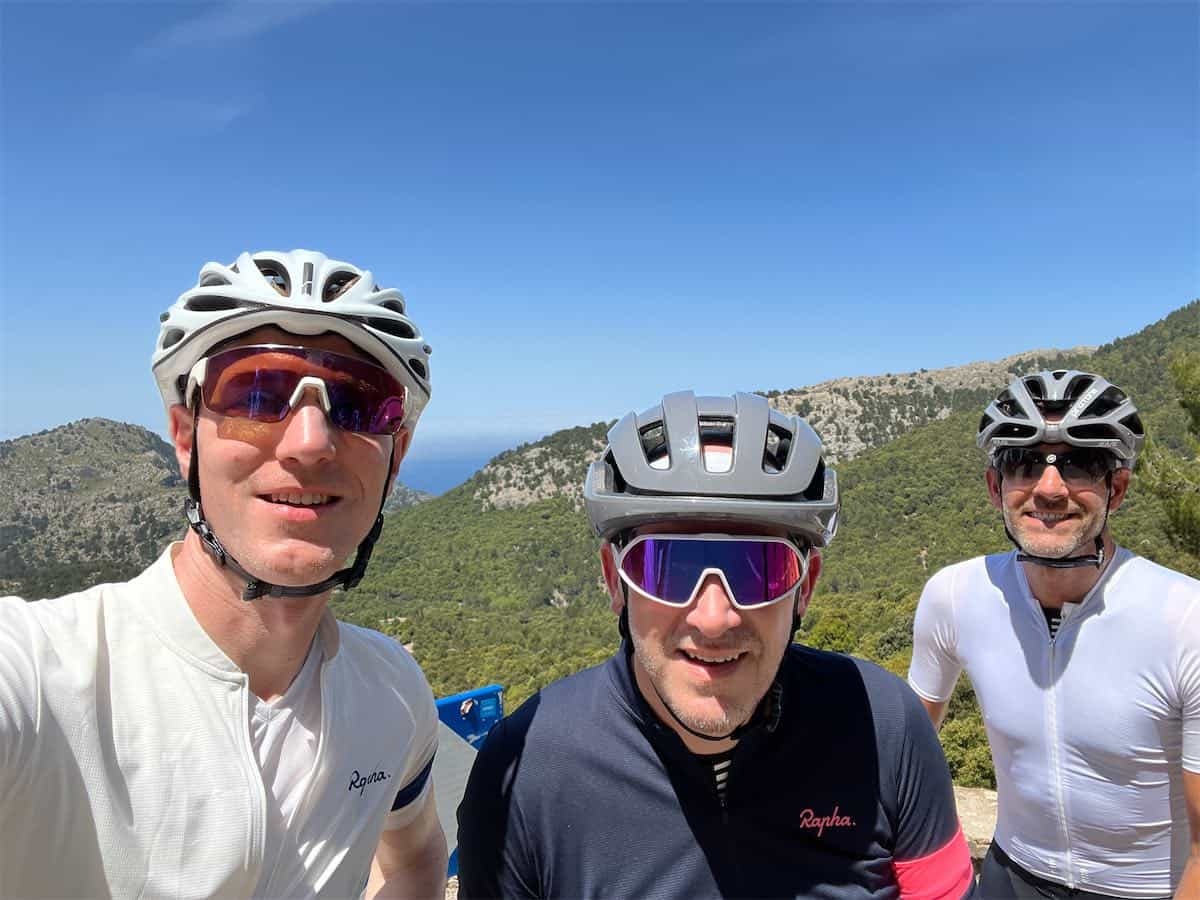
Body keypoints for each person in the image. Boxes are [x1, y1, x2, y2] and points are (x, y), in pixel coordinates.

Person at [0, 250, 448, 898]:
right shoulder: (42, 677)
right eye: (257, 393)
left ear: (395, 454)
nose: (309, 442)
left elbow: (413, 854)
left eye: (358, 404)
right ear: (185, 435)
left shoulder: (393, 694)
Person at [457, 390, 975, 899]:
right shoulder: (528, 769)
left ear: (806, 586)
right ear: (615, 581)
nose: (713, 618)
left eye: (760, 569)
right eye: (666, 566)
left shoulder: (883, 726)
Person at [908, 370, 1200, 899]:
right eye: (1023, 463)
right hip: (1009, 875)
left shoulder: (1186, 619)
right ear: (996, 487)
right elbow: (905, 744)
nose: (1049, 488)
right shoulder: (954, 594)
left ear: (1119, 487)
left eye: (1079, 464)